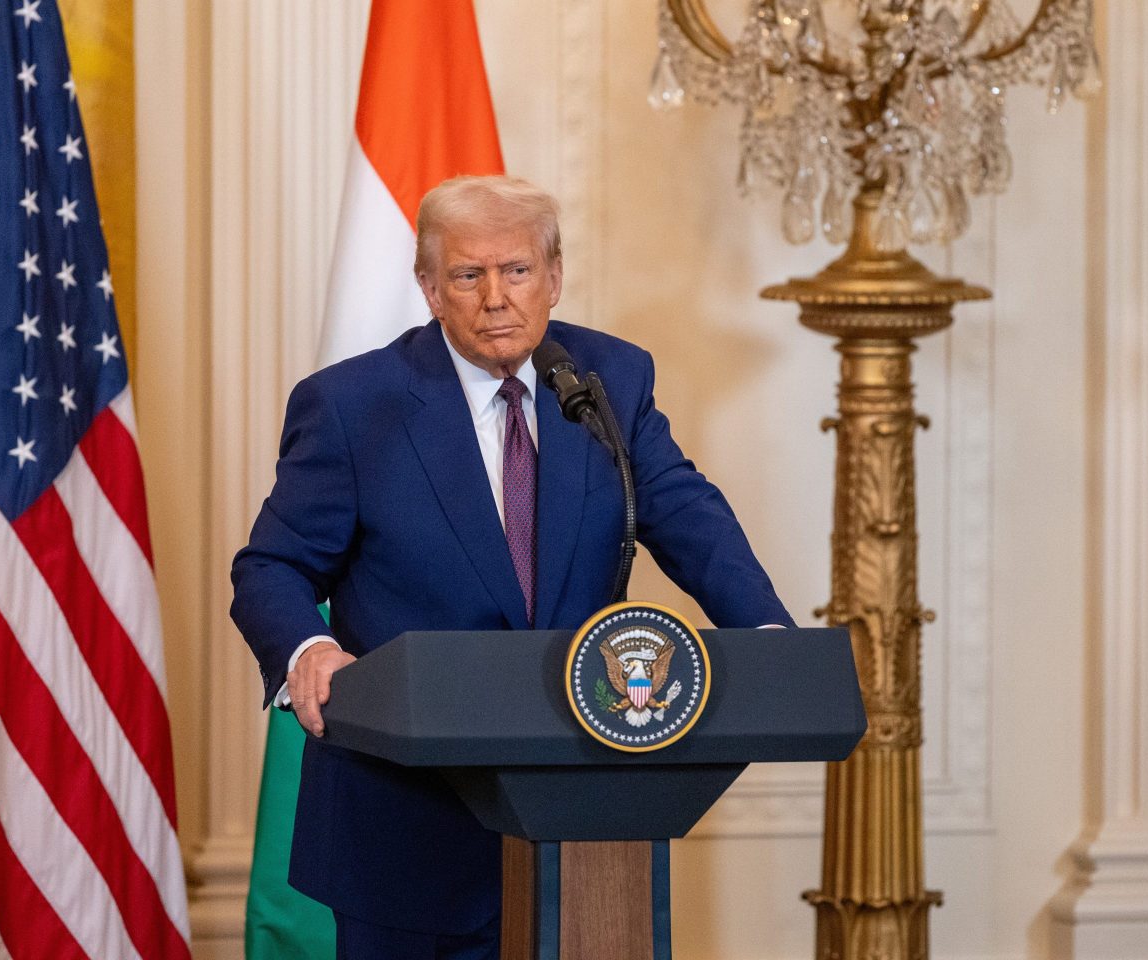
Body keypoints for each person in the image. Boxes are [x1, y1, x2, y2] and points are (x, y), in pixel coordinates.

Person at [230, 175, 792, 960]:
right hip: (406, 825)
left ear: (554, 277)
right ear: (430, 287)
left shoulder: (609, 381)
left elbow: (687, 515)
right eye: (468, 275)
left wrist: (766, 635)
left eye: (518, 271)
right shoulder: (354, 405)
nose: (497, 297)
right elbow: (271, 568)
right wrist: (308, 650)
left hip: (584, 814)